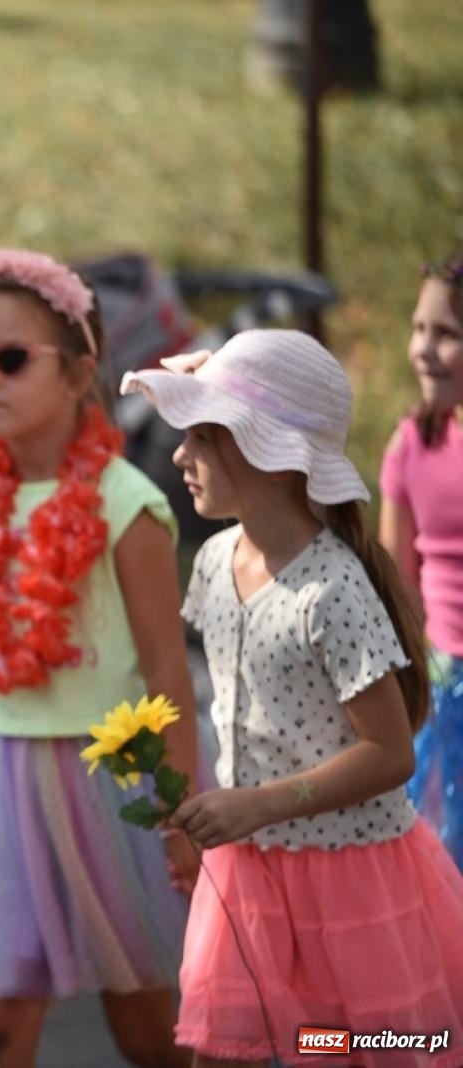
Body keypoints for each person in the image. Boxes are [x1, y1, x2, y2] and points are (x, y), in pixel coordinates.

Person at [124, 329, 463, 1067]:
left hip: (349, 879)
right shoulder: (214, 560)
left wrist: (261, 803)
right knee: (223, 1047)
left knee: (340, 1046)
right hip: (249, 870)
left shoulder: (332, 590)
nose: (181, 457)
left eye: (205, 438)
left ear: (276, 458)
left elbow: (390, 752)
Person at [0, 248, 199, 1068]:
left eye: (11, 358)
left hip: (112, 778)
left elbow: (165, 666)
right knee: (2, 1023)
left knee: (147, 1027)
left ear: (81, 369)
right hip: (2, 781)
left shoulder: (127, 503)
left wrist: (181, 809)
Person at [380, 254, 463, 870]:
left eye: (447, 334)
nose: (425, 349)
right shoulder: (414, 442)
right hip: (443, 690)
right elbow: (397, 583)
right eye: (419, 329)